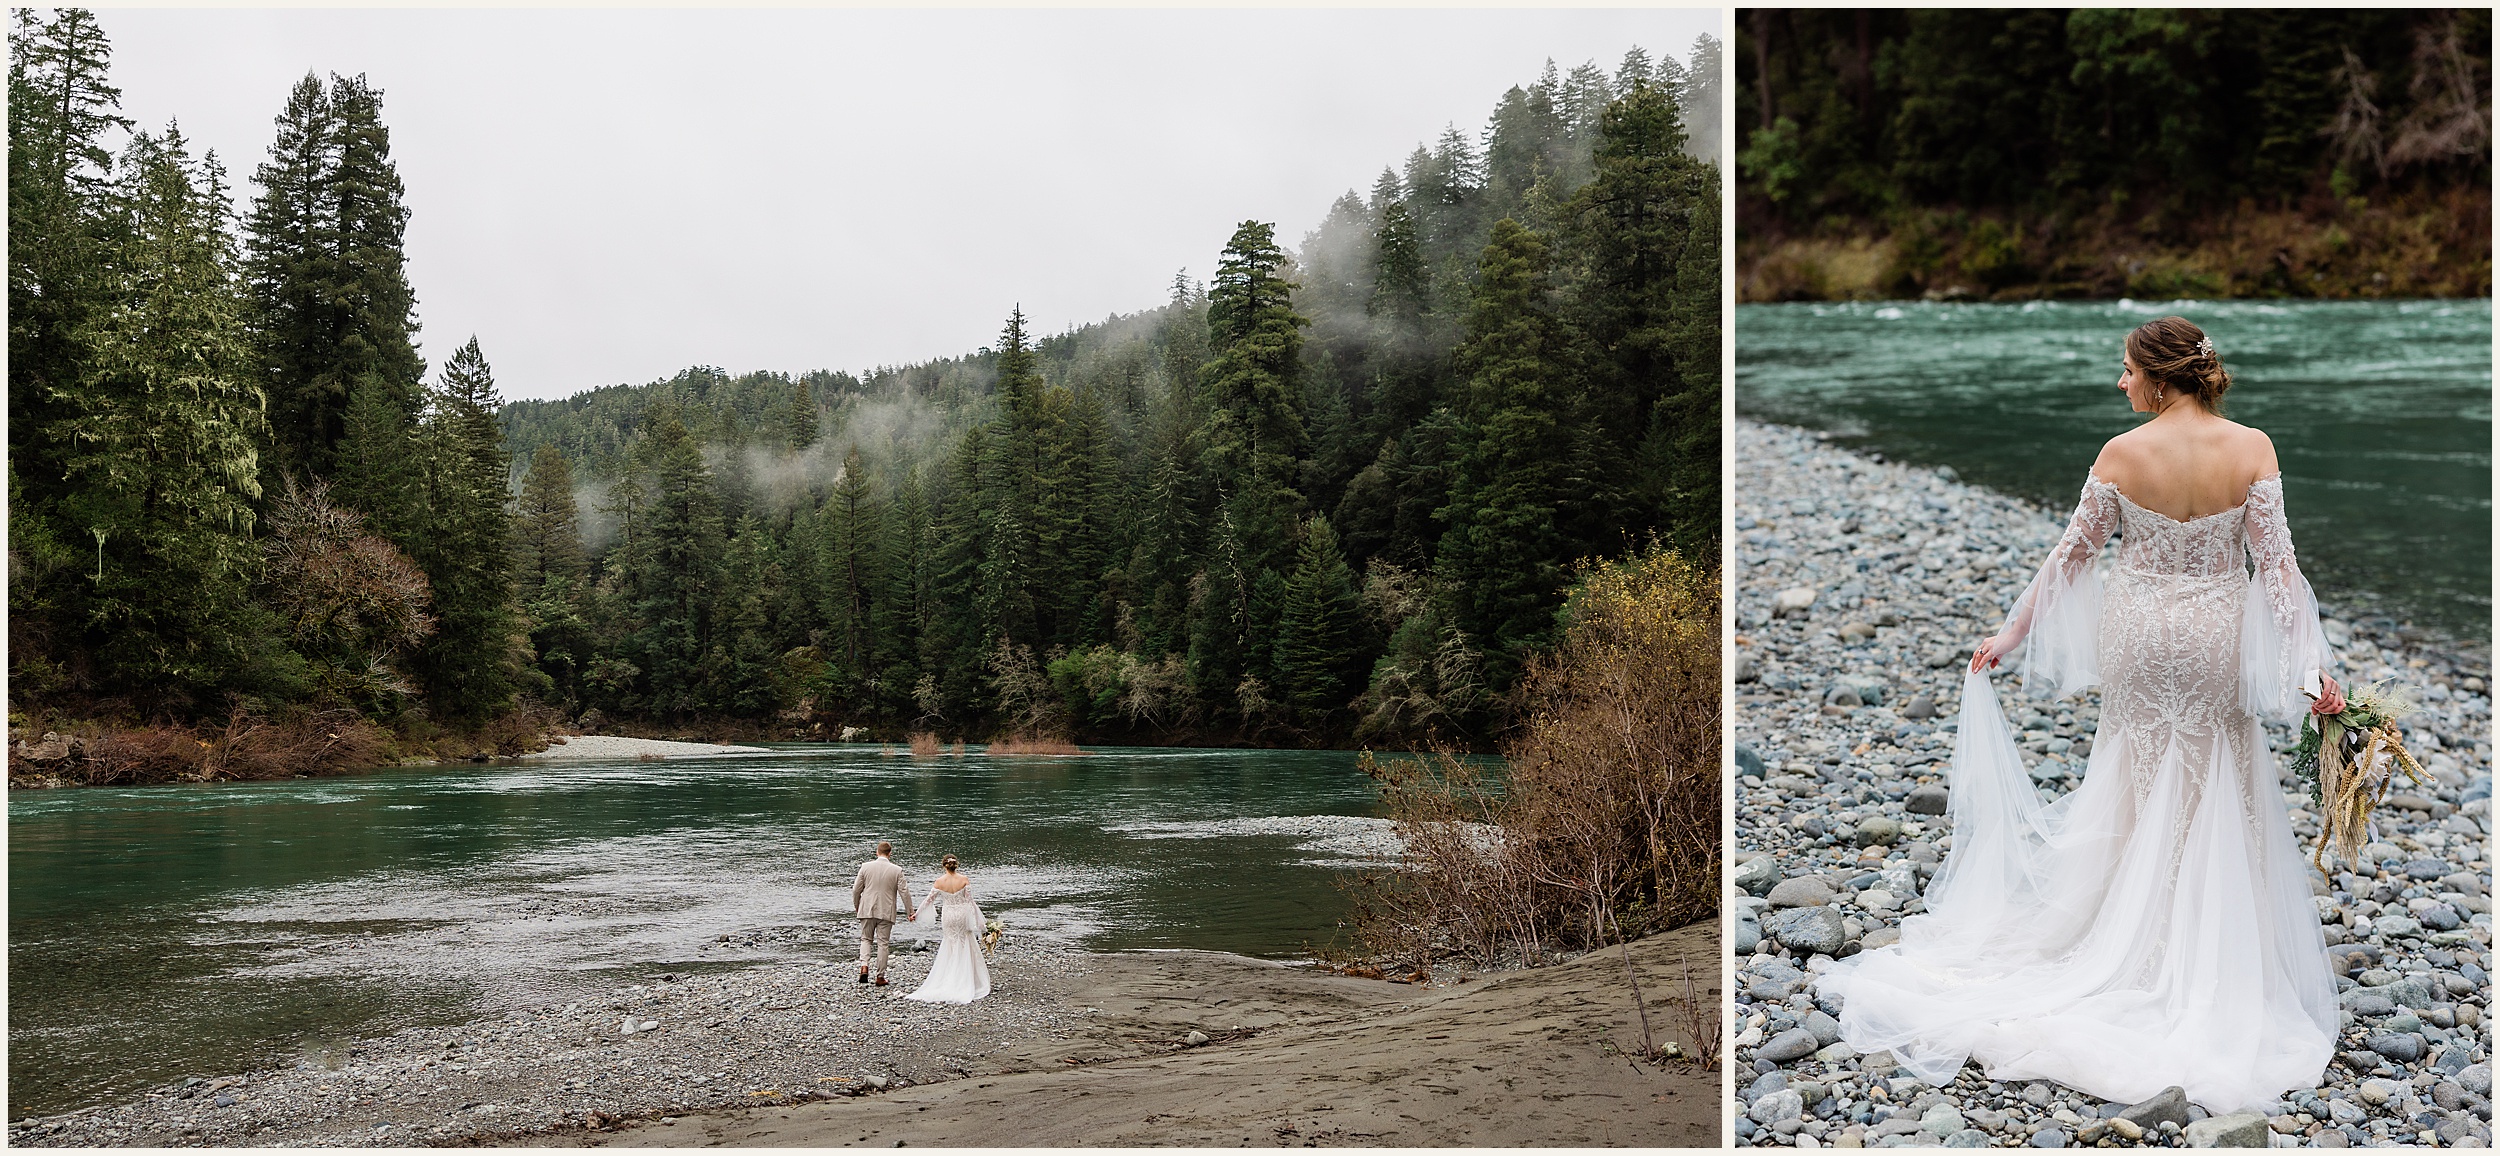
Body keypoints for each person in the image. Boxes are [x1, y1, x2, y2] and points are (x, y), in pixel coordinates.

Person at [1822, 316, 2343, 1114]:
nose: (2120, 382)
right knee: (2219, 775)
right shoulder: (2254, 447)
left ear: (2161, 379)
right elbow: (2278, 568)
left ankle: (2122, 932)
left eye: (2128, 370)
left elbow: (2072, 557)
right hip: (2215, 636)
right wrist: (2312, 669)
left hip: (2136, 638)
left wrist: (2012, 631)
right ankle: (2212, 948)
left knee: (2133, 774)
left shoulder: (2120, 455)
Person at [904, 854, 990, 1003]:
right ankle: (968, 979)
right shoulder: (964, 880)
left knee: (950, 942)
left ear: (944, 866)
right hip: (962, 914)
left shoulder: (939, 882)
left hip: (948, 915)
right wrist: (980, 921)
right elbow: (970, 902)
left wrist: (916, 914)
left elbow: (928, 901)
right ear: (956, 865)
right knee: (965, 942)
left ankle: (949, 978)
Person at [850, 840, 915, 987]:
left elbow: (856, 890)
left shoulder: (865, 867)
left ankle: (864, 966)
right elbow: (904, 893)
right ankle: (880, 976)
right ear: (890, 854)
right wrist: (910, 912)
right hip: (886, 911)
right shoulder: (897, 870)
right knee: (883, 943)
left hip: (867, 909)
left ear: (876, 852)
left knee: (866, 939)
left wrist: (857, 906)